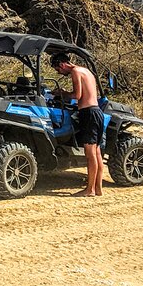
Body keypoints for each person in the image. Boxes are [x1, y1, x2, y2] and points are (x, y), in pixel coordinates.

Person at [50, 51, 105, 197]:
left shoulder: (75, 72)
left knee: (90, 153)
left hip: (88, 113)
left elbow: (77, 95)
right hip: (97, 112)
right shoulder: (86, 71)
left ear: (62, 64)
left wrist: (61, 93)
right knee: (97, 152)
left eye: (58, 69)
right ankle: (98, 188)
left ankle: (90, 190)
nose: (60, 73)